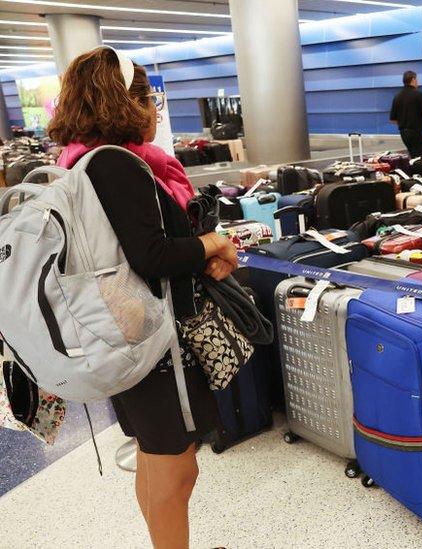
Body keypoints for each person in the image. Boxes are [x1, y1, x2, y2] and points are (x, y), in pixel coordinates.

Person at [47, 46, 238, 549]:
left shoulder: (80, 164)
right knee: (177, 471)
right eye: (149, 97)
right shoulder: (118, 166)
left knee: (156, 460)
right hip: (155, 349)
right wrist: (212, 244)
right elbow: (151, 256)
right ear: (123, 102)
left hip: (122, 338)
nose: (155, 108)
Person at [389, 70, 422, 158]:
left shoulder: (397, 97)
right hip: (416, 133)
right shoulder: (419, 95)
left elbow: (392, 119)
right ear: (413, 79)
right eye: (417, 79)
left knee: (413, 156)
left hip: (404, 134)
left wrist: (405, 123)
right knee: (420, 158)